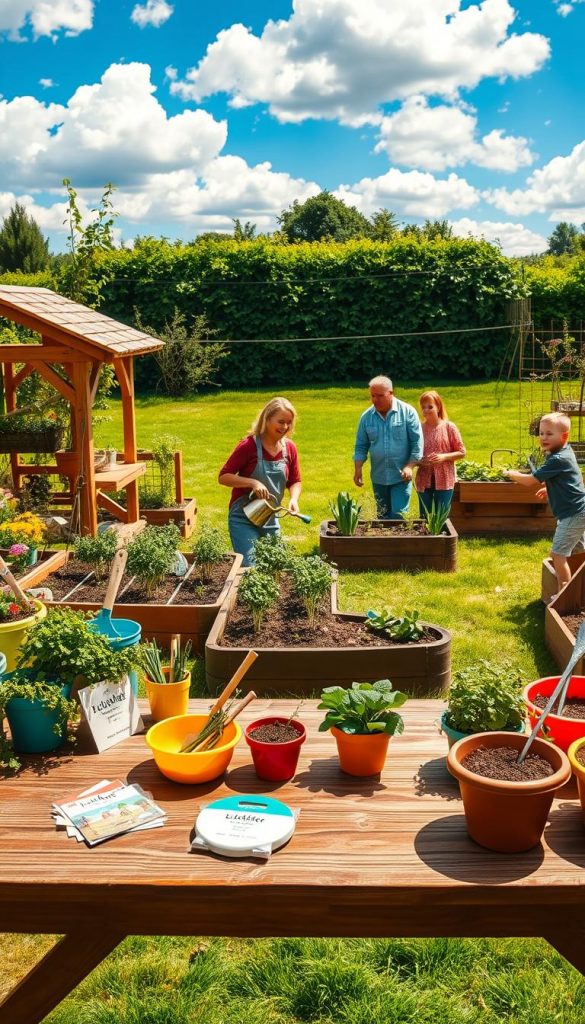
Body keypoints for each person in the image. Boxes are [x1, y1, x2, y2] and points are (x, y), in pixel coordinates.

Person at [504, 412, 585, 600]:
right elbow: (571, 480)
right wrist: (550, 490)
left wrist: (511, 473)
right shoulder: (563, 452)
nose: (543, 438)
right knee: (578, 551)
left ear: (564, 436)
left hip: (573, 514)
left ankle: (564, 595)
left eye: (549, 434)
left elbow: (530, 481)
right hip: (577, 511)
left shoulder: (558, 459)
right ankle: (577, 589)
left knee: (558, 554)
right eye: (541, 433)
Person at [219, 397, 302, 566]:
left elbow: (295, 480)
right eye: (280, 422)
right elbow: (224, 476)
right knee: (250, 568)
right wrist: (253, 483)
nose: (285, 427)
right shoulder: (248, 446)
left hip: (269, 517)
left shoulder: (289, 448)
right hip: (243, 518)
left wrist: (293, 499)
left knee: (276, 567)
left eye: (289, 423)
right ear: (267, 419)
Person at [353, 376, 423, 519]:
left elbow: (417, 443)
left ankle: (399, 542)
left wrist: (410, 466)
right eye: (372, 396)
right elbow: (361, 446)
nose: (375, 400)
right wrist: (358, 468)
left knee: (398, 515)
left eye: (380, 396)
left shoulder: (408, 412)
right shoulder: (366, 417)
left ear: (391, 393)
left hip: (401, 477)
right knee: (382, 516)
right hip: (378, 477)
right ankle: (384, 542)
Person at [415, 390, 466, 517]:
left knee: (441, 516)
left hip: (445, 477)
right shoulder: (419, 429)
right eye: (423, 407)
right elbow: (413, 453)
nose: (426, 410)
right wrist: (420, 461)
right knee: (424, 516)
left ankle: (441, 537)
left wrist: (443, 457)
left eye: (430, 407)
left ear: (438, 407)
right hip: (424, 478)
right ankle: (426, 537)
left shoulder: (449, 427)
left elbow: (462, 452)